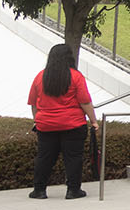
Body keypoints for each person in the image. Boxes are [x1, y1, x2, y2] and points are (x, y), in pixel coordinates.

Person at [27, 44, 97, 200]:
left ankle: (39, 190)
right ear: (69, 58)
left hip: (46, 125)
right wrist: (94, 121)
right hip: (73, 124)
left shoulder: (41, 76)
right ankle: (73, 190)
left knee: (44, 157)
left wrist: (37, 120)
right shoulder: (76, 77)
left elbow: (33, 103)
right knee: (73, 158)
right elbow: (85, 101)